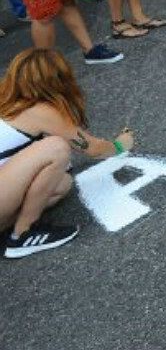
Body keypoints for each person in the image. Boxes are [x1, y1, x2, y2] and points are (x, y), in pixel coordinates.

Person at [0, 49, 137, 258]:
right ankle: (22, 235)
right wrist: (119, 146)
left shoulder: (7, 101)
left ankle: (12, 225)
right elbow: (92, 148)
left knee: (61, 183)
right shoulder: (39, 110)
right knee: (56, 148)